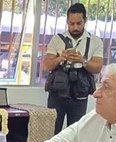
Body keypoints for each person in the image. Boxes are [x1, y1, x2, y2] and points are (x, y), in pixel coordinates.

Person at [42, 3, 103, 134]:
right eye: (71, 23)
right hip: (57, 93)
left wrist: (83, 61)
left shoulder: (95, 41)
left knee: (76, 134)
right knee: (52, 131)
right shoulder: (57, 39)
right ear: (67, 21)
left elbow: (98, 67)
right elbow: (46, 65)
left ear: (85, 20)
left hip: (80, 94)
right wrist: (60, 58)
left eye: (78, 23)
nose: (75, 27)